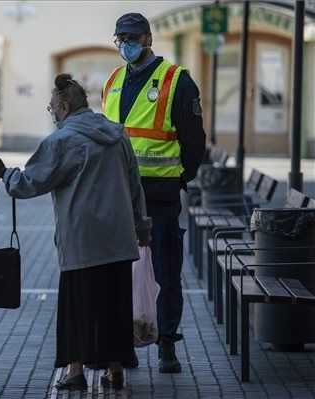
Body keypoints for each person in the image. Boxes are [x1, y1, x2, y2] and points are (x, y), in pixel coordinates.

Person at [0, 74, 150, 391]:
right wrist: (142, 227)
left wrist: (5, 174)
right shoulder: (117, 135)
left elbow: (32, 182)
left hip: (83, 241)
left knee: (78, 307)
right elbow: (134, 185)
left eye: (52, 107)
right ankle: (115, 369)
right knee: (115, 304)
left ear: (65, 106)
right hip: (119, 238)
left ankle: (75, 371)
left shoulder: (62, 140)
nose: (52, 112)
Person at [102, 12, 206, 373]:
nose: (125, 45)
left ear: (148, 38)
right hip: (118, 198)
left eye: (131, 37)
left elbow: (194, 143)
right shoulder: (114, 81)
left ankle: (167, 345)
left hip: (159, 197)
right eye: (120, 39)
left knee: (165, 272)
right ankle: (123, 344)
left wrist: (178, 180)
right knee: (118, 274)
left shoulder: (177, 81)